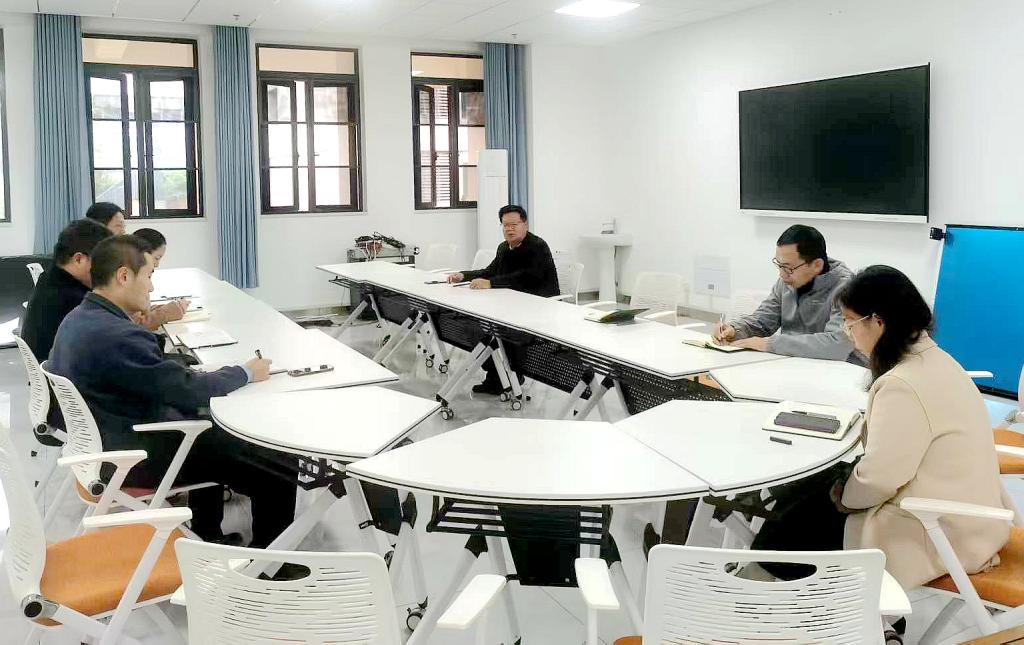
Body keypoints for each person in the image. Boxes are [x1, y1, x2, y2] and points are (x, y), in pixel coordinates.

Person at [751, 266, 1009, 593]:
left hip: (940, 531)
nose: (848, 333)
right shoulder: (938, 360)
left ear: (878, 322)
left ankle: (770, 599)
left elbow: (879, 479)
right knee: (810, 496)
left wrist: (843, 494)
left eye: (849, 322)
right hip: (974, 519)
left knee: (796, 523)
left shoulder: (902, 384)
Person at [48, 235, 296, 547]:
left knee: (210, 426)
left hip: (105, 441)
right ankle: (271, 565)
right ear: (123, 276)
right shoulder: (117, 335)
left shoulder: (78, 319)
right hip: (136, 455)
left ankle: (208, 533)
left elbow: (150, 374)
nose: (151, 287)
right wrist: (245, 372)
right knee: (277, 463)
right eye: (148, 276)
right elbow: (187, 390)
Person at [446, 204, 559, 394]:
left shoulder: (537, 246)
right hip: (510, 303)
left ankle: (512, 374)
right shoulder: (504, 247)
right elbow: (490, 271)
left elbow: (527, 278)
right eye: (505, 225)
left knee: (500, 328)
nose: (509, 229)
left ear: (525, 224)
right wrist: (464, 275)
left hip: (538, 306)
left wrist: (491, 283)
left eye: (514, 224)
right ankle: (496, 375)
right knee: (476, 326)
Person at [712, 224, 863, 364]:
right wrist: (735, 329)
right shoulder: (787, 280)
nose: (782, 275)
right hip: (789, 364)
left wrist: (770, 344)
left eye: (788, 268)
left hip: (834, 370)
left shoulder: (847, 288)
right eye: (779, 265)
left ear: (817, 265)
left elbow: (837, 344)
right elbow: (763, 321)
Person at [20, 219, 112, 361]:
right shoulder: (74, 299)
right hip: (64, 371)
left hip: (48, 368)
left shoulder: (48, 280)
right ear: (79, 259)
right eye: (103, 263)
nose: (107, 271)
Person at [131, 227, 188, 330]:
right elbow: (137, 325)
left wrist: (167, 308)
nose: (157, 264)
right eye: (156, 258)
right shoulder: (130, 282)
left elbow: (142, 312)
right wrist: (168, 312)